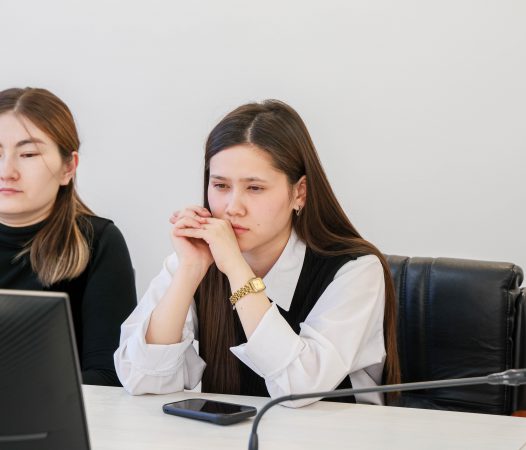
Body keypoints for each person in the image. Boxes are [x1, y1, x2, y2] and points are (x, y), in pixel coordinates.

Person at [115, 99, 400, 406]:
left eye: (254, 188)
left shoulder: (355, 270)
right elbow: (142, 380)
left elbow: (298, 388)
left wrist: (236, 269)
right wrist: (189, 271)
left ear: (299, 193)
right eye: (220, 186)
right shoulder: (195, 260)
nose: (232, 207)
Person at [0, 87, 137, 386]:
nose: (7, 171)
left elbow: (108, 375)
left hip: (49, 413)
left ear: (68, 168)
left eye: (28, 154)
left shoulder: (98, 242)